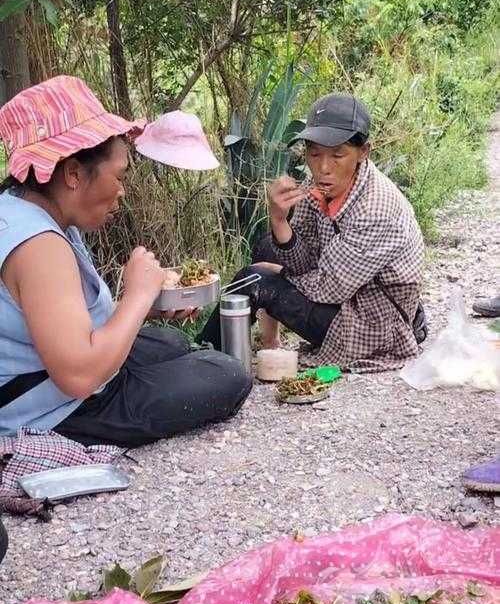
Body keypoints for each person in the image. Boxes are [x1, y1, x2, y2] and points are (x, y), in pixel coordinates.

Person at [0, 76, 252, 446]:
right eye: (119, 176)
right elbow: (79, 377)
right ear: (72, 173)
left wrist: (149, 303)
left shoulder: (24, 211)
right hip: (55, 410)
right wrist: (137, 296)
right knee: (227, 374)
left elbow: (58, 321)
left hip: (51, 374)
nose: (122, 191)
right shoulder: (39, 247)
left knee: (172, 344)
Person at [200, 93, 425, 372]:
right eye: (314, 154)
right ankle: (269, 344)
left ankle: (201, 355)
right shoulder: (321, 183)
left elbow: (330, 288)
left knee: (255, 280)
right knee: (265, 246)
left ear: (363, 152)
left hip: (372, 322)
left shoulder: (377, 209)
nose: (323, 168)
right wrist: (279, 220)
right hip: (346, 293)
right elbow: (303, 256)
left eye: (338, 155)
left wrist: (275, 273)